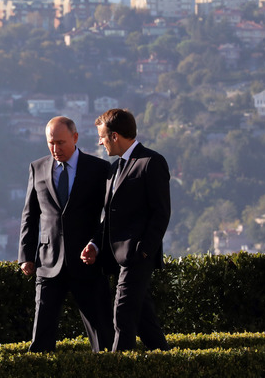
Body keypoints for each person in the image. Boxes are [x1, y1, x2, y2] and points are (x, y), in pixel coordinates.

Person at [18, 116, 114, 352]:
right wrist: (25, 256)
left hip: (87, 262)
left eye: (60, 143)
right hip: (48, 262)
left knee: (102, 335)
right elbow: (30, 214)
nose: (55, 148)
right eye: (50, 142)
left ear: (75, 137)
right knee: (41, 337)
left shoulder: (99, 169)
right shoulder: (37, 167)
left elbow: (110, 216)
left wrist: (96, 245)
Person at [81, 108, 171, 352]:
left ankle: (118, 368)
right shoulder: (113, 169)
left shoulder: (151, 163)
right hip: (118, 257)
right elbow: (109, 217)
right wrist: (95, 244)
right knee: (143, 318)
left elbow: (161, 213)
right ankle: (168, 362)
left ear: (115, 136)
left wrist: (144, 252)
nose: (99, 142)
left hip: (137, 257)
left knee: (122, 314)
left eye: (101, 136)